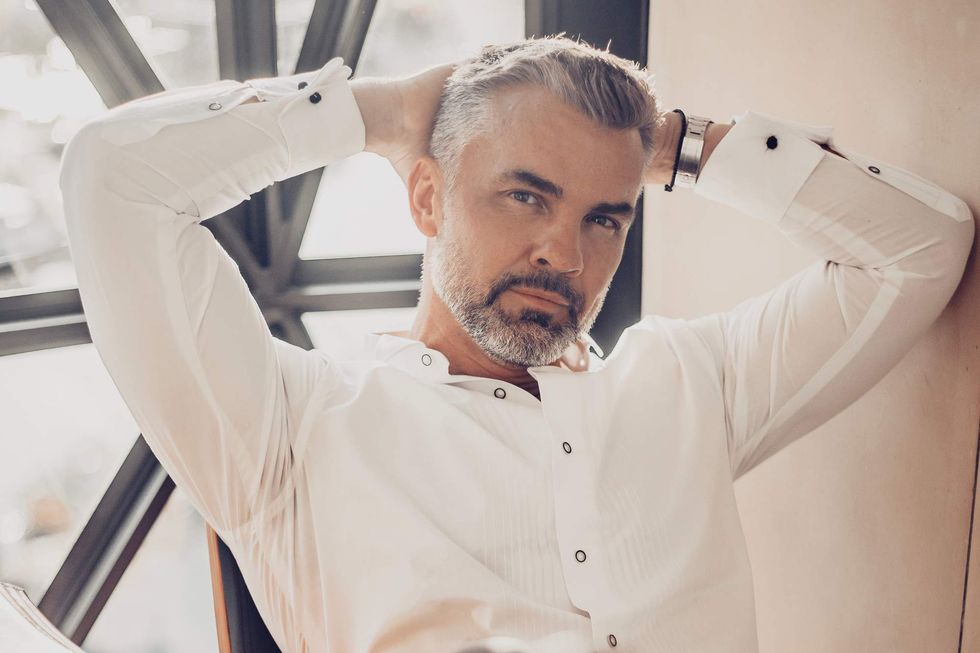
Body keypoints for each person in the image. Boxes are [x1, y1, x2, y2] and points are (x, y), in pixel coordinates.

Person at [59, 36, 973, 653]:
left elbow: (921, 248)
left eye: (605, 216)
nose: (564, 254)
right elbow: (112, 176)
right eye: (526, 195)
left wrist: (680, 144)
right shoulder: (289, 427)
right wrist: (381, 113)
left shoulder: (693, 382)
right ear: (427, 198)